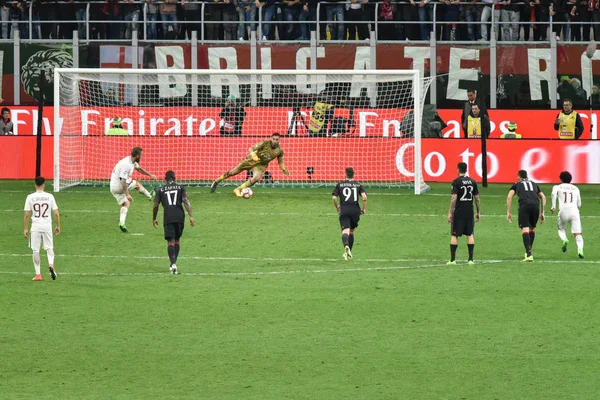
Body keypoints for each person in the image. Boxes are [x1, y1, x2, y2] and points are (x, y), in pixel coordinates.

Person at [210, 133, 290, 197]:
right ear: (271, 139)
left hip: (261, 165)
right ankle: (217, 181)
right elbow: (251, 148)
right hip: (251, 160)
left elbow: (280, 161)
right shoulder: (265, 143)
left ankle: (238, 189)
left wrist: (283, 169)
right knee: (233, 172)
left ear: (279, 140)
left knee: (256, 178)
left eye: (277, 139)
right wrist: (253, 155)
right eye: (274, 139)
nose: (275, 141)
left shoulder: (280, 150)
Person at [153, 170, 195, 274]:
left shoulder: (160, 190)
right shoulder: (181, 188)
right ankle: (174, 263)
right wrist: (190, 215)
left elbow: (155, 205)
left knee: (170, 241)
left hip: (168, 217)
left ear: (165, 179)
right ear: (174, 178)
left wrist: (154, 218)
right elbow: (186, 201)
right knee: (177, 240)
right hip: (180, 217)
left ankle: (172, 264)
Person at [110, 147, 157, 232]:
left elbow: (139, 169)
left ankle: (122, 223)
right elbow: (123, 181)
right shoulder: (126, 164)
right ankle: (150, 197)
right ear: (137, 156)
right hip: (118, 185)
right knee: (137, 184)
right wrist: (127, 194)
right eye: (141, 155)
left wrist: (150, 175)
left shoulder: (132, 161)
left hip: (113, 188)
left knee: (126, 204)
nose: (142, 157)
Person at [23, 176, 60, 281]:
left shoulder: (30, 197)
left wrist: (25, 228)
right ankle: (51, 264)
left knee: (35, 250)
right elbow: (56, 214)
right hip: (47, 226)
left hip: (35, 226)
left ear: (35, 185)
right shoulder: (50, 197)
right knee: (49, 248)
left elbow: (26, 214)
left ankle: (38, 274)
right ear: (44, 185)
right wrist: (58, 226)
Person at [506, 170, 547, 262]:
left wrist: (508, 212)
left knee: (525, 228)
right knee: (532, 228)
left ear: (519, 176)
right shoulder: (534, 183)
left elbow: (509, 196)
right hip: (536, 205)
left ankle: (529, 254)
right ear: (527, 176)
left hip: (524, 205)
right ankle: (529, 251)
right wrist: (543, 212)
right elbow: (543, 197)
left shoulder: (516, 184)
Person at [447, 162, 480, 265]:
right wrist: (478, 212)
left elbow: (454, 198)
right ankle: (470, 260)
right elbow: (477, 198)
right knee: (469, 234)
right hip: (469, 211)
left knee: (454, 234)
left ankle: (453, 260)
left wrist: (450, 212)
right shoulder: (473, 182)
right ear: (466, 169)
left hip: (459, 212)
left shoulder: (456, 182)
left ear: (458, 170)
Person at [332, 167, 367, 261]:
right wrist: (363, 209)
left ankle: (346, 246)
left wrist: (337, 207)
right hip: (355, 211)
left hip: (344, 210)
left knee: (345, 232)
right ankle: (348, 253)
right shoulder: (358, 185)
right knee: (351, 231)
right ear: (353, 175)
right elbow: (364, 197)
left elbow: (334, 198)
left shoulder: (340, 184)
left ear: (345, 174)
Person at [551, 171, 584, 258]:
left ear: (561, 179)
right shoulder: (576, 188)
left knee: (561, 229)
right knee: (578, 233)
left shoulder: (557, 187)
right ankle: (580, 249)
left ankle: (565, 239)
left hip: (563, 211)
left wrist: (553, 206)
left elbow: (553, 194)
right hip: (574, 211)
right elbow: (579, 204)